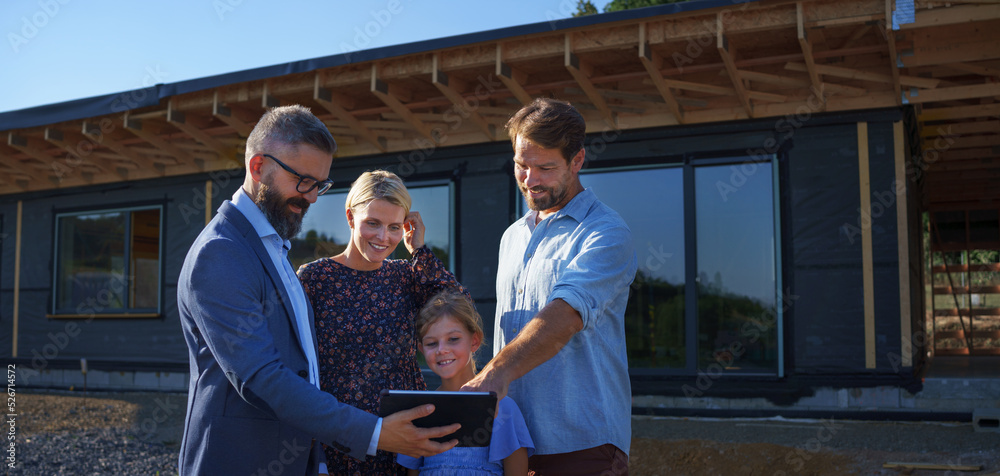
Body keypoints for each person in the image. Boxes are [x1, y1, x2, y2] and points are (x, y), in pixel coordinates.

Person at [177, 105, 459, 476]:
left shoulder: (273, 247)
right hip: (243, 460)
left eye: (320, 185)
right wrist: (374, 433)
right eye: (303, 181)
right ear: (258, 167)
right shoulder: (221, 252)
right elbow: (261, 378)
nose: (311, 197)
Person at [462, 98, 638, 475]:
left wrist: (494, 375)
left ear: (577, 161)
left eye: (545, 167)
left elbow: (565, 314)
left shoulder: (606, 232)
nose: (530, 179)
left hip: (581, 443)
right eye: (521, 165)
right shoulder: (513, 236)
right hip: (509, 439)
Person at [297, 170, 471, 475]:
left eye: (394, 227)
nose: (383, 238)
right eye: (373, 224)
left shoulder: (406, 275)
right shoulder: (315, 278)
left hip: (405, 438)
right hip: (343, 437)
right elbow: (296, 359)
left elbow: (460, 308)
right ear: (351, 217)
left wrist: (419, 250)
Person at [399, 288, 534, 475]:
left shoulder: (502, 408)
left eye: (453, 339)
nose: (442, 350)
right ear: (421, 349)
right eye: (431, 343)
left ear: (474, 341)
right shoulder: (420, 411)